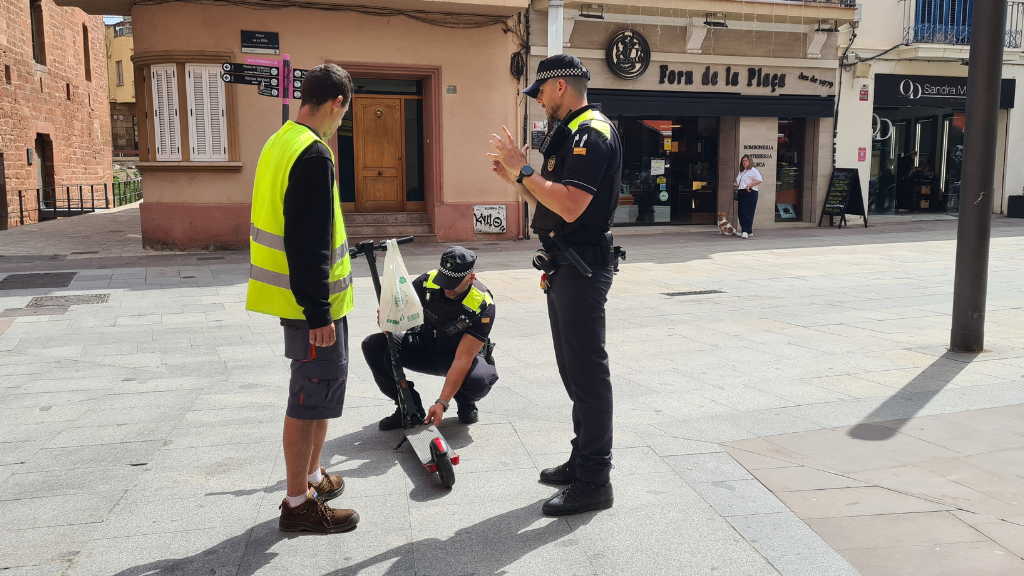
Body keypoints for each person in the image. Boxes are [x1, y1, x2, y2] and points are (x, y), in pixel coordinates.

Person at [487, 54, 622, 516]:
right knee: (572, 371)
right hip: (566, 265)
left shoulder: (592, 133)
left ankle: (594, 480)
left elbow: (569, 206)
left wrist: (525, 172)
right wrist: (517, 179)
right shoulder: (570, 133)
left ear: (559, 86)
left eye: (540, 92)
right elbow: (545, 198)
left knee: (587, 375)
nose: (539, 101)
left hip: (583, 268)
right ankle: (582, 457)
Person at [246, 63, 359, 534]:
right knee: (309, 398)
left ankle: (312, 478)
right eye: (343, 115)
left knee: (320, 395)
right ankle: (297, 504)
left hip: (304, 303)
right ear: (335, 104)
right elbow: (307, 240)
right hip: (311, 308)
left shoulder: (281, 141)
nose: (340, 125)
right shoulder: (313, 154)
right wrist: (319, 312)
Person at [361, 246, 498, 429]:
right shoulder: (428, 281)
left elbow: (462, 359)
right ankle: (407, 406)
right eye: (445, 279)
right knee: (373, 345)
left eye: (454, 282)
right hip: (424, 347)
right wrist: (388, 316)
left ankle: (464, 400)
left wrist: (442, 402)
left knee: (480, 379)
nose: (446, 286)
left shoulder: (482, 303)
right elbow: (401, 310)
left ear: (471, 277)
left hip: (454, 357)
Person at [734, 154, 762, 239]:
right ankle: (748, 231)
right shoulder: (742, 171)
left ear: (750, 161)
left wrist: (749, 185)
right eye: (743, 161)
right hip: (741, 192)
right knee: (741, 212)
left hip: (750, 192)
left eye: (746, 161)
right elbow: (741, 181)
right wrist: (737, 184)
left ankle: (745, 230)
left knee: (747, 212)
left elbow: (759, 180)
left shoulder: (753, 170)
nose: (744, 162)